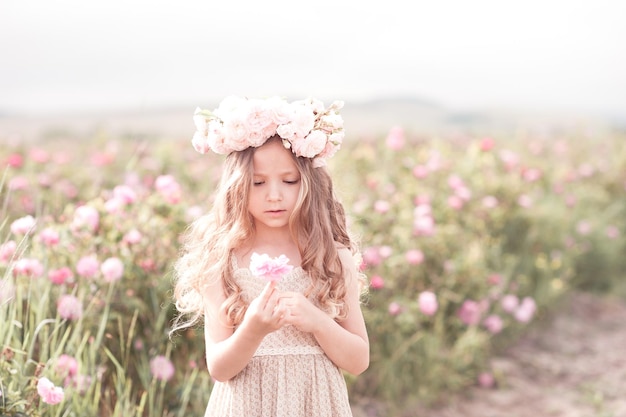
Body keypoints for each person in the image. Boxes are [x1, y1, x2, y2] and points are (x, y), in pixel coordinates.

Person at [171, 96, 370, 417]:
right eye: (258, 182)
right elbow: (220, 368)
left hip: (314, 404)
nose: (274, 195)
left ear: (309, 182)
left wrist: (318, 321)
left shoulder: (332, 258)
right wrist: (253, 328)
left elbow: (359, 360)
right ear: (236, 186)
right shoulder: (222, 261)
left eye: (289, 181)